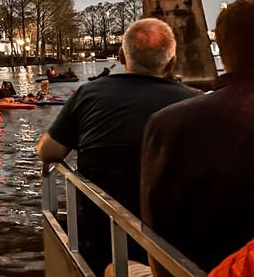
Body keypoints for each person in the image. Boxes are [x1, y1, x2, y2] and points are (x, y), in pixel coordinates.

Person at [36, 18, 197, 274]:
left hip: (98, 237)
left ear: (122, 56)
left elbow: (49, 152)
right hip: (177, 248)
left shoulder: (88, 94)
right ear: (172, 62)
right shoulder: (195, 102)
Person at [141, 0, 254, 275]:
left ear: (224, 49)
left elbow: (157, 234)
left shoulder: (167, 123)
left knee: (116, 267)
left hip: (195, 269)